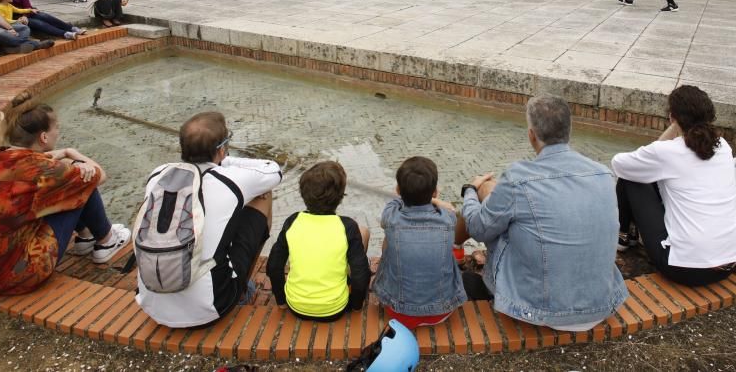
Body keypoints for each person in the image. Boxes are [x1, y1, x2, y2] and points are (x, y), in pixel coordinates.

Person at [460, 95, 627, 330]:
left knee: (490, 200)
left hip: (542, 310)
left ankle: (450, 251)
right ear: (569, 130)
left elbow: (477, 228)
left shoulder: (518, 178)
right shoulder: (603, 174)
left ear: (531, 135)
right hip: (601, 305)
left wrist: (470, 191)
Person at [0, 103, 131, 295]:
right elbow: (100, 175)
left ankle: (85, 237)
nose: (58, 131)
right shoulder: (41, 169)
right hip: (7, 276)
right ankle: (107, 240)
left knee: (66, 181)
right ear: (43, 137)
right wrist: (71, 153)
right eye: (56, 128)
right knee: (83, 177)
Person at [135, 112, 283, 327]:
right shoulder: (229, 180)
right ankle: (240, 291)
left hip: (151, 305)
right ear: (221, 149)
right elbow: (273, 171)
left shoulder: (158, 174)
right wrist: (225, 160)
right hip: (209, 308)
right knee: (263, 195)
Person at [612, 85, 736, 286]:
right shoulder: (723, 146)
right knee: (646, 173)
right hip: (729, 263)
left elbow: (620, 164)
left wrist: (671, 130)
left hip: (686, 269)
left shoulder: (668, 151)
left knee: (631, 177)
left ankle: (623, 237)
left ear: (672, 117)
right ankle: (629, 235)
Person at [267, 161, 372, 321]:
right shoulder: (347, 226)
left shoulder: (293, 221)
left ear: (303, 194)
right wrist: (356, 306)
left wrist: (281, 301)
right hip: (334, 309)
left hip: (296, 305)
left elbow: (274, 265)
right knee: (363, 232)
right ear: (340, 197)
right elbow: (361, 274)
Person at [372, 157, 466, 329]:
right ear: (435, 192)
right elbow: (451, 210)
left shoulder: (391, 217)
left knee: (390, 237)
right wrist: (436, 201)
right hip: (441, 312)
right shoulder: (447, 219)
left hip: (398, 312)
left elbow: (393, 205)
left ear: (398, 190)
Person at [0, 0, 83, 41]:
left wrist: (30, 10)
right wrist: (16, 21)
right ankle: (65, 34)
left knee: (44, 16)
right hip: (7, 26)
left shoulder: (8, 5)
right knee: (39, 23)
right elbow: (3, 20)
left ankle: (71, 28)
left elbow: (19, 10)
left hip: (15, 22)